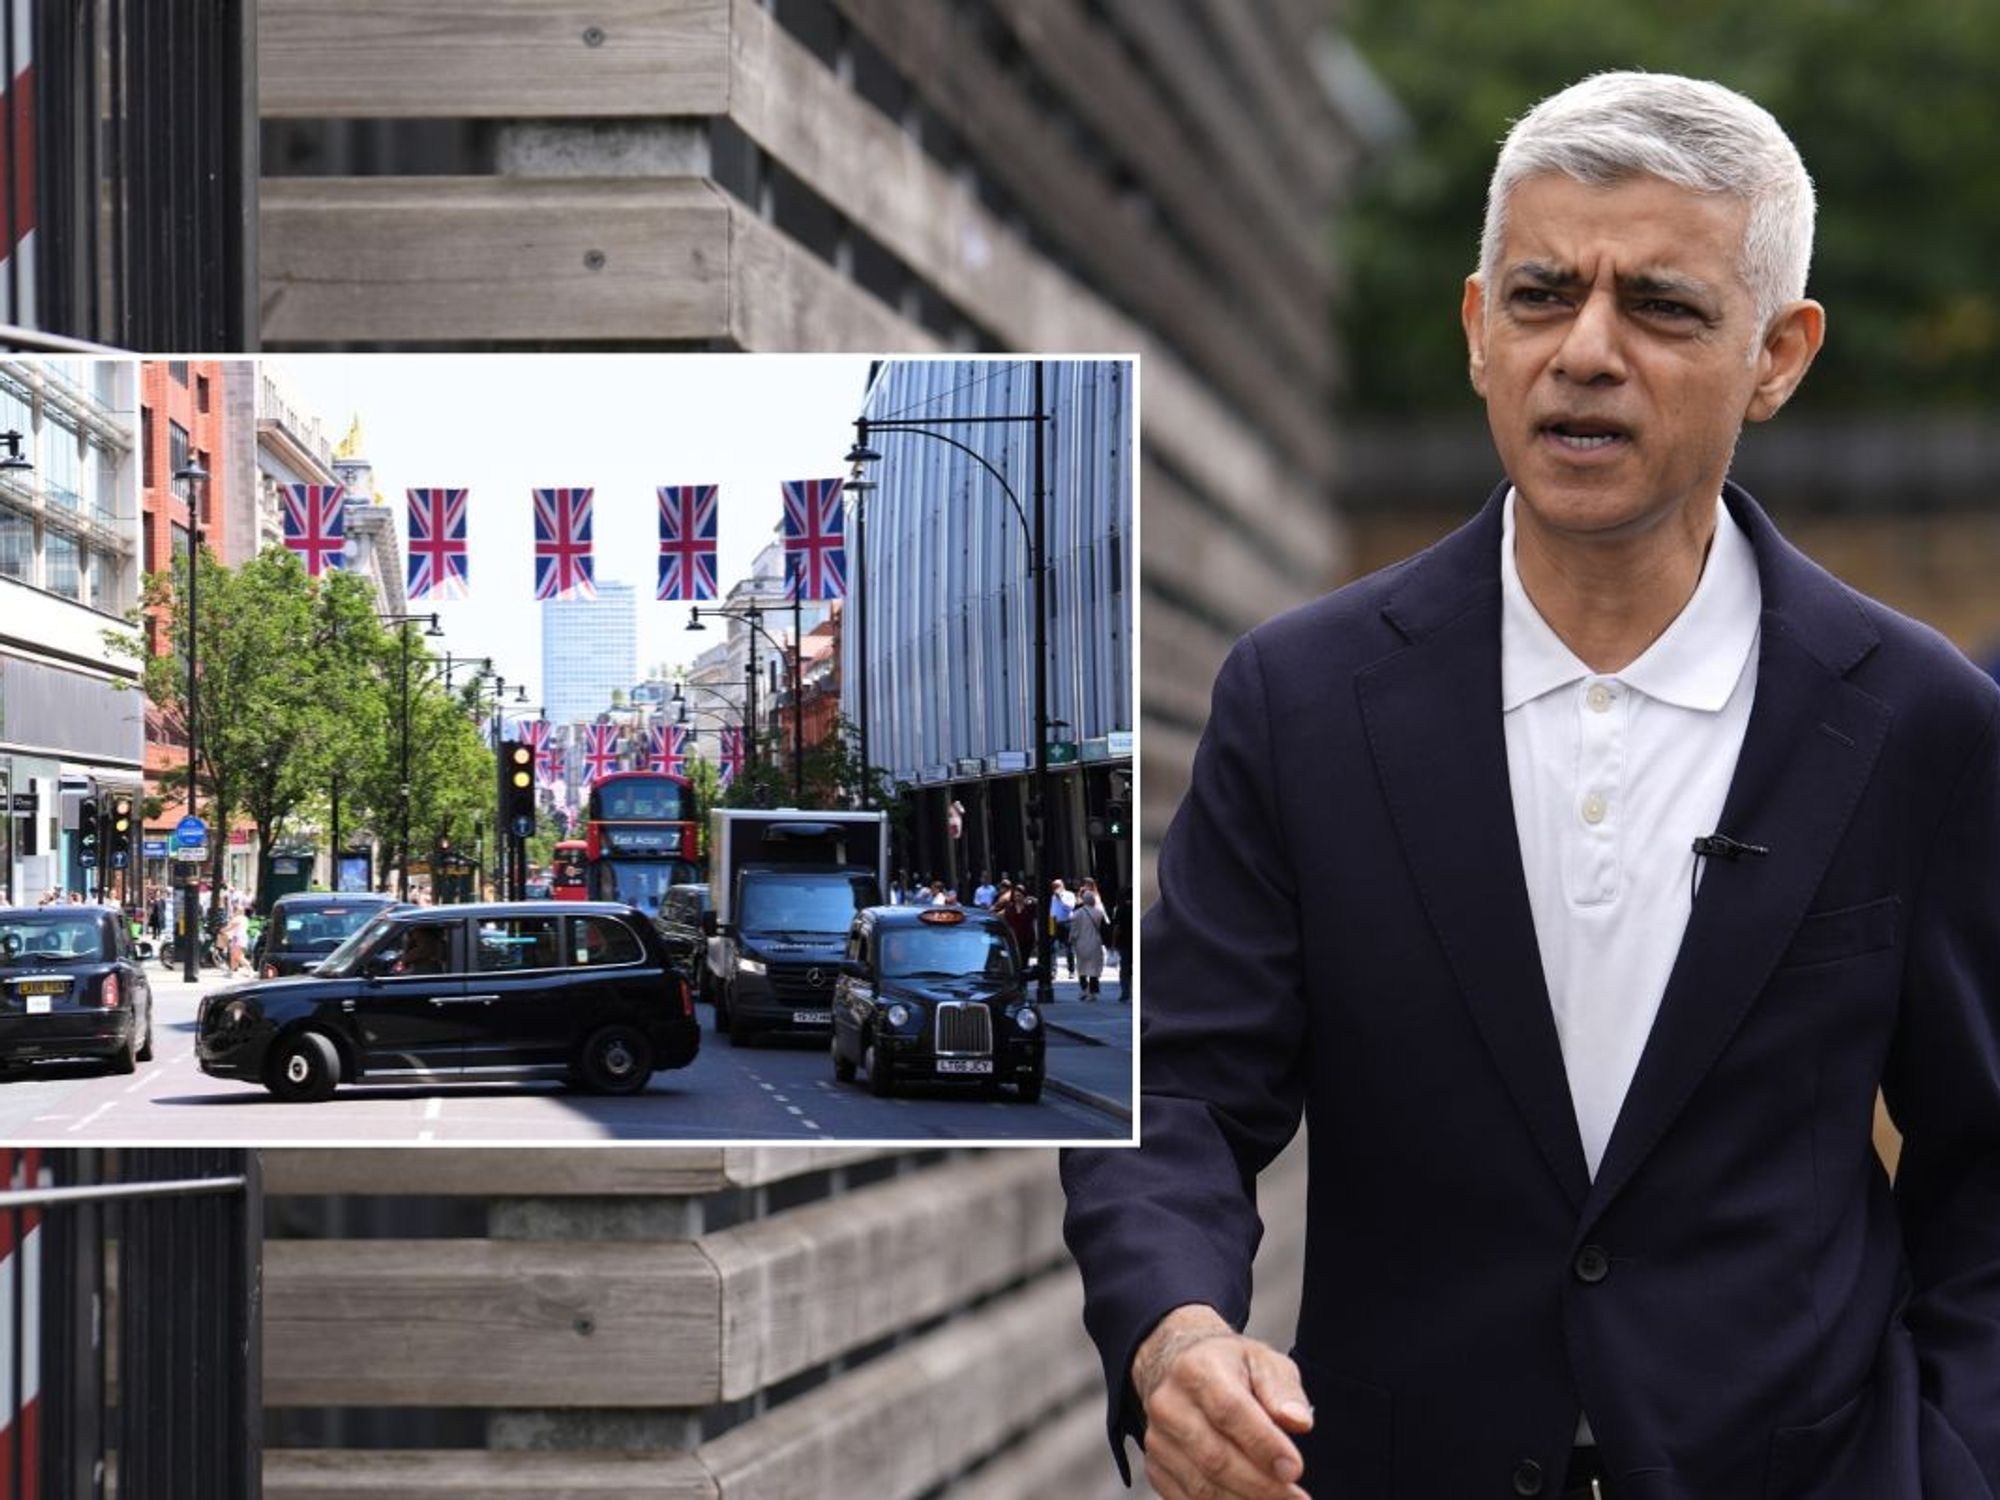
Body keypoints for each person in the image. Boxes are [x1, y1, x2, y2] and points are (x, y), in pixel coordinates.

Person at [1061, 72, 2000, 1500]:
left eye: (1665, 308)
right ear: (1476, 329)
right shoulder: (1300, 699)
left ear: (1780, 354)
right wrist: (1176, 1335)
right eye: (1544, 294)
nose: (1588, 352)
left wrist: (1953, 1466)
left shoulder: (1919, 717)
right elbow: (1177, 1085)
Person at [1069, 878, 1108, 1000]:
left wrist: (1071, 940)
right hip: (1095, 942)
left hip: (1081, 943)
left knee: (1082, 968)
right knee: (1094, 968)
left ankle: (1084, 989)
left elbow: (1074, 931)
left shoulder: (1077, 914)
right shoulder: (1098, 913)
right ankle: (1093, 991)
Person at [1047, 878, 1074, 977]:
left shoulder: (1069, 895)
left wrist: (1060, 898)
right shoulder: (1052, 897)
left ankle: (1071, 970)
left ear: (1062, 886)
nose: (1055, 888)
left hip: (1066, 922)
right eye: (1053, 886)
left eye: (1057, 886)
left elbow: (1070, 907)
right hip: (1053, 922)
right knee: (1052, 947)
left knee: (1069, 946)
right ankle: (1053, 970)